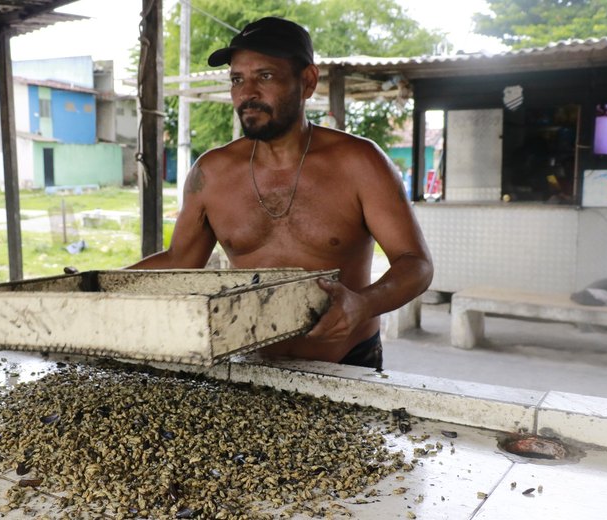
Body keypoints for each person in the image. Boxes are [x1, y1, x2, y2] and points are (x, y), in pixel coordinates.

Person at [128, 17, 433, 370]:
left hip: (346, 364)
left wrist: (362, 304)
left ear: (307, 82)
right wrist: (101, 286)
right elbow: (180, 262)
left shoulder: (359, 163)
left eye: (265, 76)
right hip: (247, 365)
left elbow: (416, 264)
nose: (247, 93)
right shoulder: (211, 173)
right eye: (237, 79)